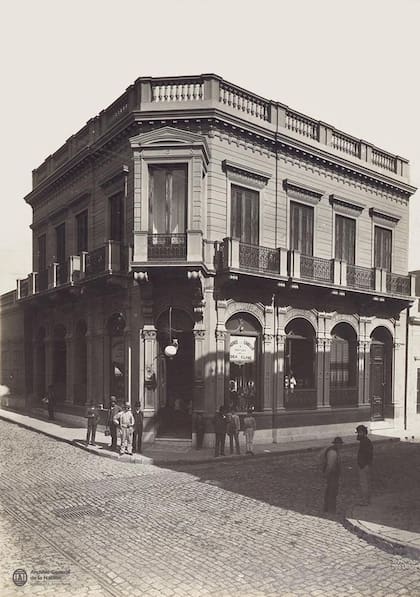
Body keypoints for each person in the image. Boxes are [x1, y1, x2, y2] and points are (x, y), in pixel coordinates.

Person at [323, 436, 343, 514]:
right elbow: (330, 465)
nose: (341, 446)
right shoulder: (333, 452)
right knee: (332, 491)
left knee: (331, 491)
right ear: (336, 444)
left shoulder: (335, 451)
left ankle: (328, 508)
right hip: (332, 474)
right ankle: (330, 509)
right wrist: (326, 474)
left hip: (333, 474)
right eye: (339, 444)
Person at [356, 424, 373, 505]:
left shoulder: (365, 442)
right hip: (366, 465)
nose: (358, 434)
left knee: (364, 483)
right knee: (366, 483)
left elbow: (367, 454)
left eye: (359, 432)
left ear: (362, 432)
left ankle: (365, 501)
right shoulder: (365, 441)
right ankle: (367, 500)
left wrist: (362, 464)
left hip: (364, 466)